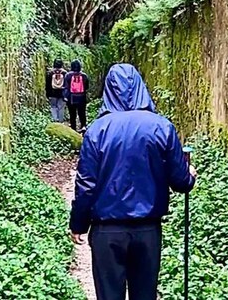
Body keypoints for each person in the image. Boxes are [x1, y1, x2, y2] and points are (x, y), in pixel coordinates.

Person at [69, 63, 196, 300]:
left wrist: (78, 224)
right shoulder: (161, 127)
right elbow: (180, 181)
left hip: (107, 232)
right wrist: (189, 175)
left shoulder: (97, 131)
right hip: (148, 230)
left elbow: (86, 185)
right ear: (140, 86)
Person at [63, 60, 90, 132]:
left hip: (71, 98)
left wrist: (65, 96)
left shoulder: (68, 75)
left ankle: (73, 129)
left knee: (72, 114)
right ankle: (83, 126)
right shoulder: (84, 76)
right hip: (82, 97)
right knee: (82, 113)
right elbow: (86, 87)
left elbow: (66, 87)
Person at [45, 58, 68, 123]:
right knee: (61, 108)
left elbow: (47, 85)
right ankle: (60, 122)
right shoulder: (65, 73)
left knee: (53, 107)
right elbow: (67, 85)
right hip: (62, 94)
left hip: (52, 93)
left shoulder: (50, 73)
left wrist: (48, 94)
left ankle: (55, 120)